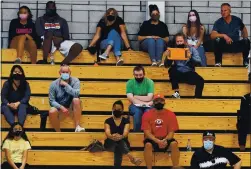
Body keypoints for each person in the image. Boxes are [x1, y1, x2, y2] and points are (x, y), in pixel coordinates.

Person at [142, 94, 180, 169]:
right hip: (153, 139)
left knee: (174, 144)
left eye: (161, 100)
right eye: (156, 101)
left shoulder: (171, 114)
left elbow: (171, 133)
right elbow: (147, 132)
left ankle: (175, 167)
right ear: (153, 102)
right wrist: (157, 141)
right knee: (148, 145)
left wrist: (164, 140)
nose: (159, 102)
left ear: (164, 102)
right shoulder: (147, 114)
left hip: (166, 139)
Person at [164, 33, 204, 98]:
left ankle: (197, 98)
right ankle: (177, 93)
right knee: (172, 70)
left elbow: (198, 63)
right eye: (177, 41)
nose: (179, 43)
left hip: (189, 72)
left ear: (185, 41)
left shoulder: (192, 49)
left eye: (181, 41)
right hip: (177, 74)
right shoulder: (173, 50)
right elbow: (166, 65)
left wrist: (190, 57)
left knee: (201, 80)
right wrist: (168, 57)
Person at [104, 100, 142, 168]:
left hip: (123, 143)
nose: (117, 110)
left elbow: (125, 134)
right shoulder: (108, 121)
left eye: (119, 109)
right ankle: (131, 158)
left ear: (122, 110)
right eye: (115, 109)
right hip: (110, 143)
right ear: (112, 109)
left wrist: (120, 137)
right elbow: (107, 133)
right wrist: (112, 136)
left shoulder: (126, 121)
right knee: (117, 143)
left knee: (118, 146)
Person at [211, 3, 250, 67]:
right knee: (217, 40)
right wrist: (224, 36)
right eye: (221, 11)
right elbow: (212, 35)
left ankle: (245, 62)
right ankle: (218, 62)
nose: (223, 12)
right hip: (225, 46)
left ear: (230, 11)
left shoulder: (237, 20)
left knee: (246, 41)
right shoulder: (218, 22)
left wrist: (244, 37)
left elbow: (244, 29)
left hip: (235, 44)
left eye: (225, 10)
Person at [48, 64, 85, 132]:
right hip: (60, 107)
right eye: (63, 72)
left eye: (67, 72)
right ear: (60, 73)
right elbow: (51, 101)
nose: (65, 74)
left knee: (76, 99)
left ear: (70, 72)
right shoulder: (53, 84)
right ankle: (58, 132)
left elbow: (76, 94)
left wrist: (66, 85)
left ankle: (77, 127)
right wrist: (61, 107)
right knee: (52, 111)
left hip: (72, 106)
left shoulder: (75, 81)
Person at [126, 65, 154, 132]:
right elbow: (130, 98)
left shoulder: (150, 82)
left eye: (140, 75)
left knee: (148, 112)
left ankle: (148, 134)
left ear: (144, 74)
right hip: (135, 105)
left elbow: (149, 97)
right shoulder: (129, 82)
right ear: (133, 74)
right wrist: (145, 103)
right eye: (136, 75)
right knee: (138, 112)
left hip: (148, 105)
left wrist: (136, 96)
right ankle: (137, 134)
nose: (138, 77)